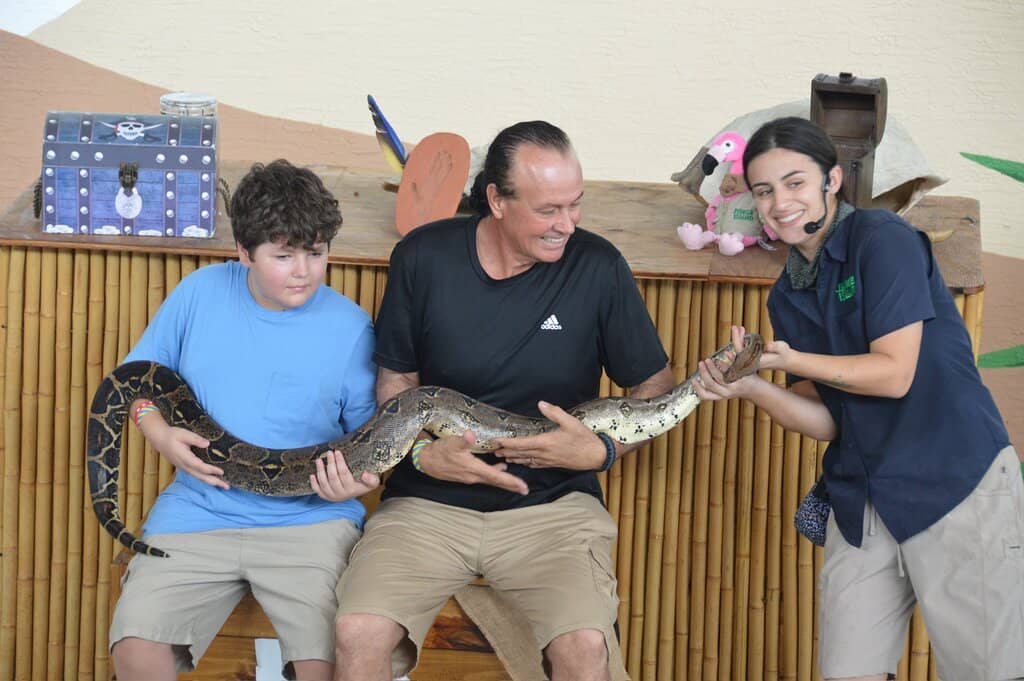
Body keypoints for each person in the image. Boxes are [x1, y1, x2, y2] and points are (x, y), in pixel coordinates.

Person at [332, 121, 675, 681]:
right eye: (548, 210)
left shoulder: (597, 266)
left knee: (586, 647)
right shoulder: (423, 257)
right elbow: (397, 378)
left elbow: (653, 385)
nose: (567, 224)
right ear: (495, 200)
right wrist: (422, 455)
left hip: (554, 509)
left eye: (575, 204)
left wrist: (602, 452)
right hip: (427, 504)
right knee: (356, 633)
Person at [693, 116, 1022, 681]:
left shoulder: (881, 238)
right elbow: (826, 420)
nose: (780, 203)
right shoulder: (786, 294)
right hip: (863, 497)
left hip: (956, 477)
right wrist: (750, 386)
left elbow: (894, 374)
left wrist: (791, 359)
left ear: (833, 180)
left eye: (795, 182)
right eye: (764, 190)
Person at [109, 159, 380, 681]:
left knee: (327, 666)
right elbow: (135, 382)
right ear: (243, 252)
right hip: (198, 509)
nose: (303, 271)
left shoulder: (351, 327)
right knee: (135, 652)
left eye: (316, 253)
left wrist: (360, 482)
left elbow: (371, 441)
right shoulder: (199, 293)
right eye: (283, 255)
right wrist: (157, 432)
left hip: (312, 520)